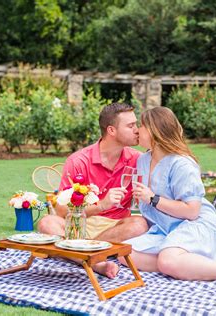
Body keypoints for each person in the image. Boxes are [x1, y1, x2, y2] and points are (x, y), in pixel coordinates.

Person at [119, 107, 216, 281]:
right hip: (165, 228)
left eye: (141, 125)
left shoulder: (182, 164)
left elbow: (192, 211)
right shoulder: (143, 160)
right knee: (124, 252)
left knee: (167, 260)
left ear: (154, 131)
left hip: (193, 224)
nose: (137, 130)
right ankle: (185, 265)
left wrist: (153, 199)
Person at [38, 102, 148, 278]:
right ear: (111, 130)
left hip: (116, 226)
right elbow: (60, 210)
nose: (137, 130)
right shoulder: (79, 161)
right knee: (47, 223)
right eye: (131, 126)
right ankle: (95, 261)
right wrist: (101, 206)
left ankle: (75, 253)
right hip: (81, 223)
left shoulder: (138, 159)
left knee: (139, 224)